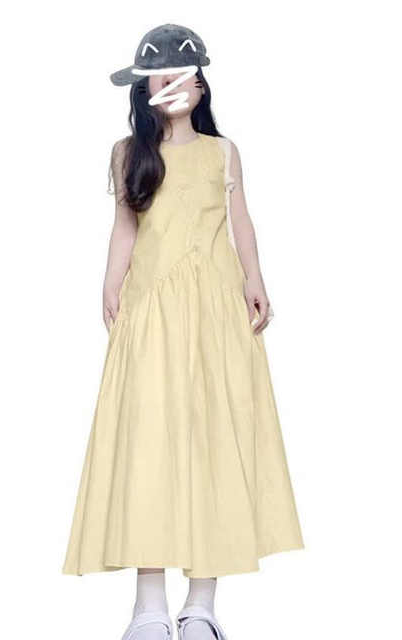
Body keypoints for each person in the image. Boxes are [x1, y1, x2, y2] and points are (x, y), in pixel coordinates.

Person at [63, 24, 304, 640]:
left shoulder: (223, 152)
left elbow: (240, 220)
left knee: (213, 437)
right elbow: (125, 226)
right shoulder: (128, 152)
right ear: (144, 89)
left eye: (182, 75)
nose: (171, 85)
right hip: (153, 308)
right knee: (148, 441)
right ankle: (148, 608)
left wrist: (255, 279)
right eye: (160, 77)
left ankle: (201, 607)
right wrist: (111, 282)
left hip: (216, 311)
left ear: (201, 85)